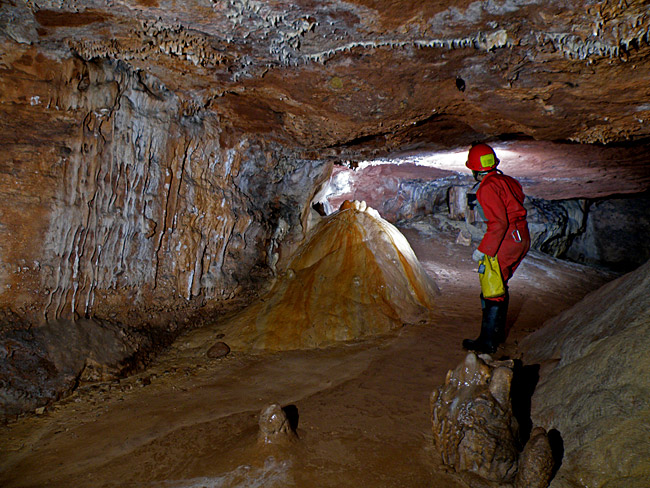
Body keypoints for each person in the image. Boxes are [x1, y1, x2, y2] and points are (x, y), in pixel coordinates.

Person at [462, 143, 530, 354]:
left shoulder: (488, 187)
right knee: (499, 284)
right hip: (521, 236)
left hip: (507, 239)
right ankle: (495, 336)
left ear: (474, 169)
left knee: (491, 287)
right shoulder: (508, 180)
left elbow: (498, 223)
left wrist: (484, 249)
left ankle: (487, 343)